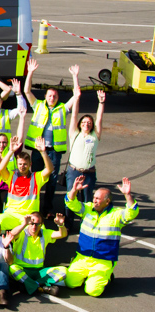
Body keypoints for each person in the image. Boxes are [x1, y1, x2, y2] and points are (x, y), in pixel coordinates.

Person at [64, 175, 138, 297]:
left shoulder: (116, 215)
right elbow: (70, 202)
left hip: (103, 260)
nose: (94, 200)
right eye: (94, 197)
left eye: (98, 199)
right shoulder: (87, 209)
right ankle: (87, 273)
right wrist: (74, 190)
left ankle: (107, 275)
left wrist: (127, 195)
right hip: (84, 257)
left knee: (93, 291)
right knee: (70, 283)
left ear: (107, 201)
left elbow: (132, 212)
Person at [23, 61, 79, 215]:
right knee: (35, 178)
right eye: (49, 95)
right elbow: (27, 90)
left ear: (58, 97)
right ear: (45, 96)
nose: (52, 98)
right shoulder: (38, 105)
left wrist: (75, 76)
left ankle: (48, 207)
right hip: (38, 149)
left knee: (52, 181)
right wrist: (30, 72)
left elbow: (77, 95)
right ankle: (34, 206)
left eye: (54, 96)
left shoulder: (63, 108)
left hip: (54, 151)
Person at [64, 89, 104, 230]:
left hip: (89, 173)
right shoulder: (74, 134)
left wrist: (101, 102)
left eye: (89, 123)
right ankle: (68, 224)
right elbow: (74, 114)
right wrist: (77, 98)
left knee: (87, 201)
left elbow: (99, 118)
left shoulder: (95, 136)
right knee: (71, 198)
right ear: (80, 124)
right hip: (74, 171)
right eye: (84, 122)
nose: (86, 124)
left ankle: (85, 225)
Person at [5, 212, 68, 299]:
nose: (34, 227)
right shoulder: (22, 232)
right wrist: (24, 224)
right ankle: (41, 287)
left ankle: (33, 285)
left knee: (63, 270)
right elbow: (11, 235)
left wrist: (61, 225)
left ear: (41, 224)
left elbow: (62, 234)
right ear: (28, 223)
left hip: (39, 271)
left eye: (37, 224)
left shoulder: (45, 233)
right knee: (12, 268)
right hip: (23, 269)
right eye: (32, 223)